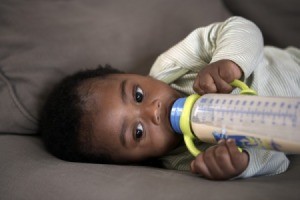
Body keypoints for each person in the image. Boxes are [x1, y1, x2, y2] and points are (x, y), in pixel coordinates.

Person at [39, 16, 300, 180]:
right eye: (138, 133)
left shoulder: (172, 67)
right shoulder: (187, 160)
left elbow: (241, 27)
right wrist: (241, 164)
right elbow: (279, 160)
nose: (152, 112)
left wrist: (228, 61)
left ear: (136, 75)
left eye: (138, 94)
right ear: (136, 162)